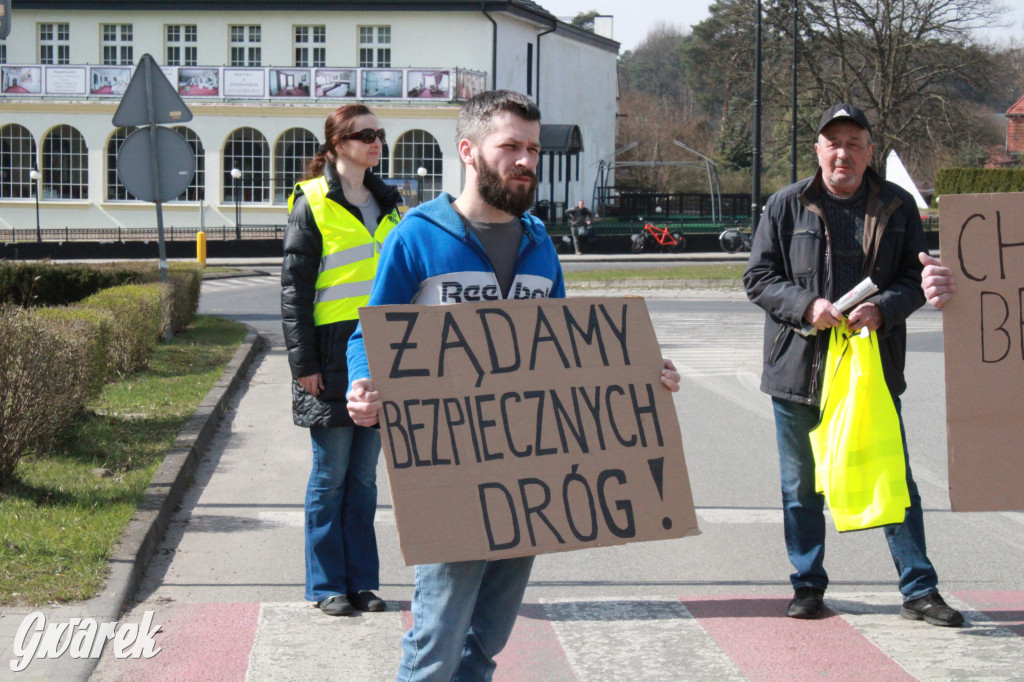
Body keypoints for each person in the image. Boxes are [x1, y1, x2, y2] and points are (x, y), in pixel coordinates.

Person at [346, 90, 681, 680]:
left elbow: (566, 350)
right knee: (437, 642)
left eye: (532, 148)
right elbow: (366, 336)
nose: (526, 160)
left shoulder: (539, 244)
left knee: (486, 643)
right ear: (469, 151)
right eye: (510, 147)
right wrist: (362, 384)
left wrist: (636, 375)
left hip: (528, 472)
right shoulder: (417, 237)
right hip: (446, 471)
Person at [743, 103, 964, 627]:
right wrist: (807, 307)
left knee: (893, 481)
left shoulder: (898, 206)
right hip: (799, 370)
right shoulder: (784, 205)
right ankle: (808, 586)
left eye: (854, 143)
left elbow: (915, 281)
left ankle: (919, 589)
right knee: (801, 487)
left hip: (871, 370)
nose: (842, 152)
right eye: (832, 142)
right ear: (818, 149)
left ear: (869, 152)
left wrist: (882, 309)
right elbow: (758, 278)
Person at [281, 103, 401, 617]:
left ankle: (364, 583)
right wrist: (302, 364)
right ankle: (327, 585)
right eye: (365, 134)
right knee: (330, 474)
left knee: (366, 478)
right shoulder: (311, 202)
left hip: (381, 353)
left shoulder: (393, 203)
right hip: (329, 356)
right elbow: (293, 291)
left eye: (379, 134)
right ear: (336, 146)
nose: (376, 142)